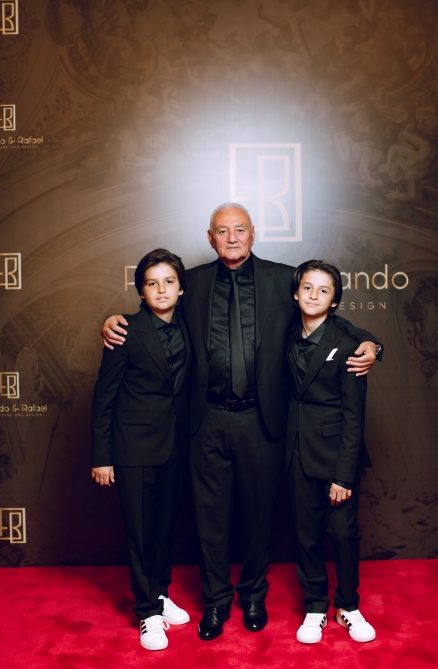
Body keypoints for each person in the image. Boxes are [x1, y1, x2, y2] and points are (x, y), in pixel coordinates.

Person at [101, 203, 381, 641]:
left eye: (239, 230)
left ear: (253, 233)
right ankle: (216, 600)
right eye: (222, 231)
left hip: (261, 418)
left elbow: (325, 313)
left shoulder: (282, 279)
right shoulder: (191, 282)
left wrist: (371, 343)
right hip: (206, 419)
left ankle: (253, 595)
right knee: (209, 518)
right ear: (210, 238)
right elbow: (152, 315)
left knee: (258, 515)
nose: (231, 238)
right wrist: (110, 321)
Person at [91, 249, 191, 651]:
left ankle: (161, 593)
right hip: (132, 448)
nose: (161, 289)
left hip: (176, 446)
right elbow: (104, 396)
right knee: (140, 532)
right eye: (152, 283)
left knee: (164, 529)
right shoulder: (124, 331)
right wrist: (102, 456)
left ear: (181, 289)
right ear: (141, 291)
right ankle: (147, 612)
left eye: (169, 281)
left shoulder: (192, 326)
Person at [286, 260, 376, 644]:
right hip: (295, 453)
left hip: (336, 456)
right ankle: (315, 606)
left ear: (334, 300)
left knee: (343, 534)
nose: (314, 295)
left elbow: (355, 417)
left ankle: (348, 606)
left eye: (323, 291)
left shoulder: (350, 345)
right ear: (296, 293)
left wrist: (344, 474)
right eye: (307, 287)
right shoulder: (285, 334)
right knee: (305, 535)